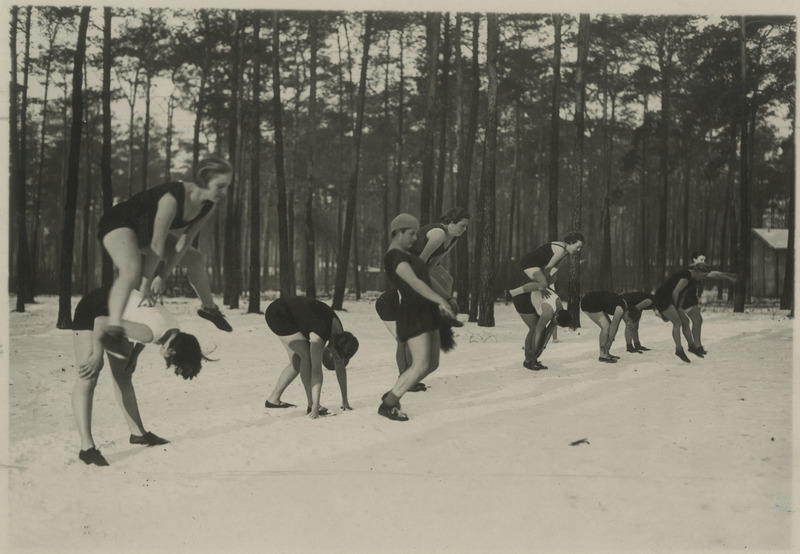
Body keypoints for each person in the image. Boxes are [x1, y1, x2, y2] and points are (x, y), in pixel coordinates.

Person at [96, 157, 233, 358]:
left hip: (147, 233)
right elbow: (157, 245)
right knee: (132, 270)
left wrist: (163, 275)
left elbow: (184, 242)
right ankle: (114, 328)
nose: (224, 192)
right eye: (220, 186)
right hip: (120, 223)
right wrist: (147, 282)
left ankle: (209, 308)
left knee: (194, 258)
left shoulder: (208, 204)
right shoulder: (171, 199)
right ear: (203, 180)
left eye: (227, 186)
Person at [72, 287, 208, 466]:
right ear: (172, 350)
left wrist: (134, 354)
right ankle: (86, 449)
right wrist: (97, 356)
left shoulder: (174, 330)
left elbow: (147, 327)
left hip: (115, 311)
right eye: (173, 362)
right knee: (88, 375)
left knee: (124, 375)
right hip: (93, 310)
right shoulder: (150, 332)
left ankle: (138, 433)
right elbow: (100, 323)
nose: (169, 364)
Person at [378, 214, 459, 421]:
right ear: (398, 233)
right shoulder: (394, 257)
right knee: (421, 363)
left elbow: (429, 278)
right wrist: (440, 301)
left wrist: (447, 297)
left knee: (431, 364)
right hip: (407, 309)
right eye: (411, 234)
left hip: (419, 308)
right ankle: (389, 403)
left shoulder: (409, 256)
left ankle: (396, 391)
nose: (416, 238)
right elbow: (416, 283)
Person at [263, 296, 359, 419]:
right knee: (306, 355)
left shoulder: (340, 333)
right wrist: (315, 406)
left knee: (297, 363)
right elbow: (316, 372)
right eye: (334, 354)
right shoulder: (318, 337)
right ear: (333, 343)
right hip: (278, 314)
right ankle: (312, 404)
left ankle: (273, 400)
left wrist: (345, 400)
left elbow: (339, 364)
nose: (334, 357)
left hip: (292, 312)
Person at [408, 206, 470, 311]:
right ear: (452, 223)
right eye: (462, 225)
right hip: (408, 261)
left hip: (422, 262)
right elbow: (421, 261)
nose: (465, 229)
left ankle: (441, 311)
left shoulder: (453, 238)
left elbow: (435, 261)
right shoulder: (438, 234)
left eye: (466, 226)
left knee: (447, 280)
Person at [653, 262, 714, 363]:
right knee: (677, 323)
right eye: (703, 275)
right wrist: (676, 307)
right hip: (662, 299)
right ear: (698, 272)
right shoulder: (686, 277)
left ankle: (692, 346)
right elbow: (675, 292)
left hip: (670, 299)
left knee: (685, 321)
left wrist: (679, 307)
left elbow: (682, 295)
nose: (703, 278)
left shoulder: (692, 280)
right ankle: (679, 350)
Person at [680, 251, 738, 355]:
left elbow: (713, 273)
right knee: (695, 321)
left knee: (696, 321)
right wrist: (729, 277)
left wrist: (730, 276)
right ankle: (695, 346)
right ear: (694, 260)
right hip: (685, 299)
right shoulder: (693, 269)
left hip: (689, 298)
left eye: (704, 260)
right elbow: (712, 274)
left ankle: (696, 347)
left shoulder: (696, 269)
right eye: (701, 259)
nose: (703, 262)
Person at [507, 231, 585, 302]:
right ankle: (511, 293)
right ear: (571, 242)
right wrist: (543, 287)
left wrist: (550, 284)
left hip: (536, 264)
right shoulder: (560, 250)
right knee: (542, 284)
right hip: (529, 262)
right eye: (577, 246)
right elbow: (548, 269)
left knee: (545, 283)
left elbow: (555, 268)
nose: (578, 250)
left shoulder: (566, 251)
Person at [512, 278, 572, 370]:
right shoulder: (548, 312)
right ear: (556, 316)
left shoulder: (559, 311)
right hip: (523, 297)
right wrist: (535, 351)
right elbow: (538, 331)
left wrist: (542, 348)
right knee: (534, 328)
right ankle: (528, 361)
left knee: (541, 331)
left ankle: (532, 360)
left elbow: (549, 330)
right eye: (556, 322)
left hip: (534, 299)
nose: (555, 324)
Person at [580, 291, 637, 363]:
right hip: (589, 303)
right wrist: (609, 342)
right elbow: (614, 326)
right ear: (628, 312)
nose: (626, 320)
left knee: (608, 326)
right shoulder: (620, 309)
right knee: (606, 327)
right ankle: (603, 355)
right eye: (628, 319)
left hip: (594, 302)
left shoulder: (623, 306)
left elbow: (615, 327)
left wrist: (610, 341)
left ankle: (606, 353)